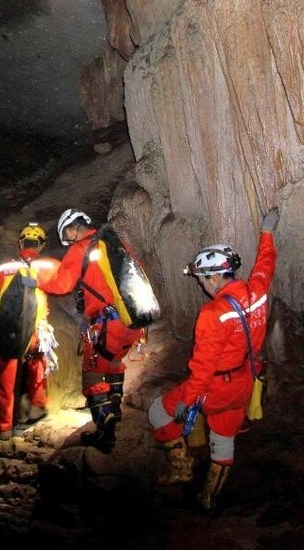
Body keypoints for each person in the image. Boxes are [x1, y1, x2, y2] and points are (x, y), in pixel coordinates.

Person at [148, 206, 279, 509]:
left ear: (215, 277)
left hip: (215, 389)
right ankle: (210, 496)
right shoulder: (256, 292)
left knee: (158, 412)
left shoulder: (213, 314)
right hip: (245, 383)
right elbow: (264, 267)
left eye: (202, 279)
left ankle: (181, 469)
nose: (202, 285)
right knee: (223, 437)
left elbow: (203, 366)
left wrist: (188, 400)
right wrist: (267, 232)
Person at [40, 208, 151, 452]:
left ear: (71, 229)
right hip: (130, 321)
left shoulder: (80, 249)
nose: (68, 240)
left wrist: (38, 280)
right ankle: (115, 411)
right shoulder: (114, 244)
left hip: (106, 324)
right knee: (112, 364)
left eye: (67, 236)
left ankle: (105, 429)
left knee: (92, 374)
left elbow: (62, 284)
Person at [0, 222, 60, 441]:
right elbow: (63, 283)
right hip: (36, 331)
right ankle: (36, 410)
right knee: (37, 365)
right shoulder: (47, 265)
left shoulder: (4, 268)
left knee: (4, 378)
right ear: (41, 245)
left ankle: (3, 428)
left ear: (20, 243)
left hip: (7, 329)